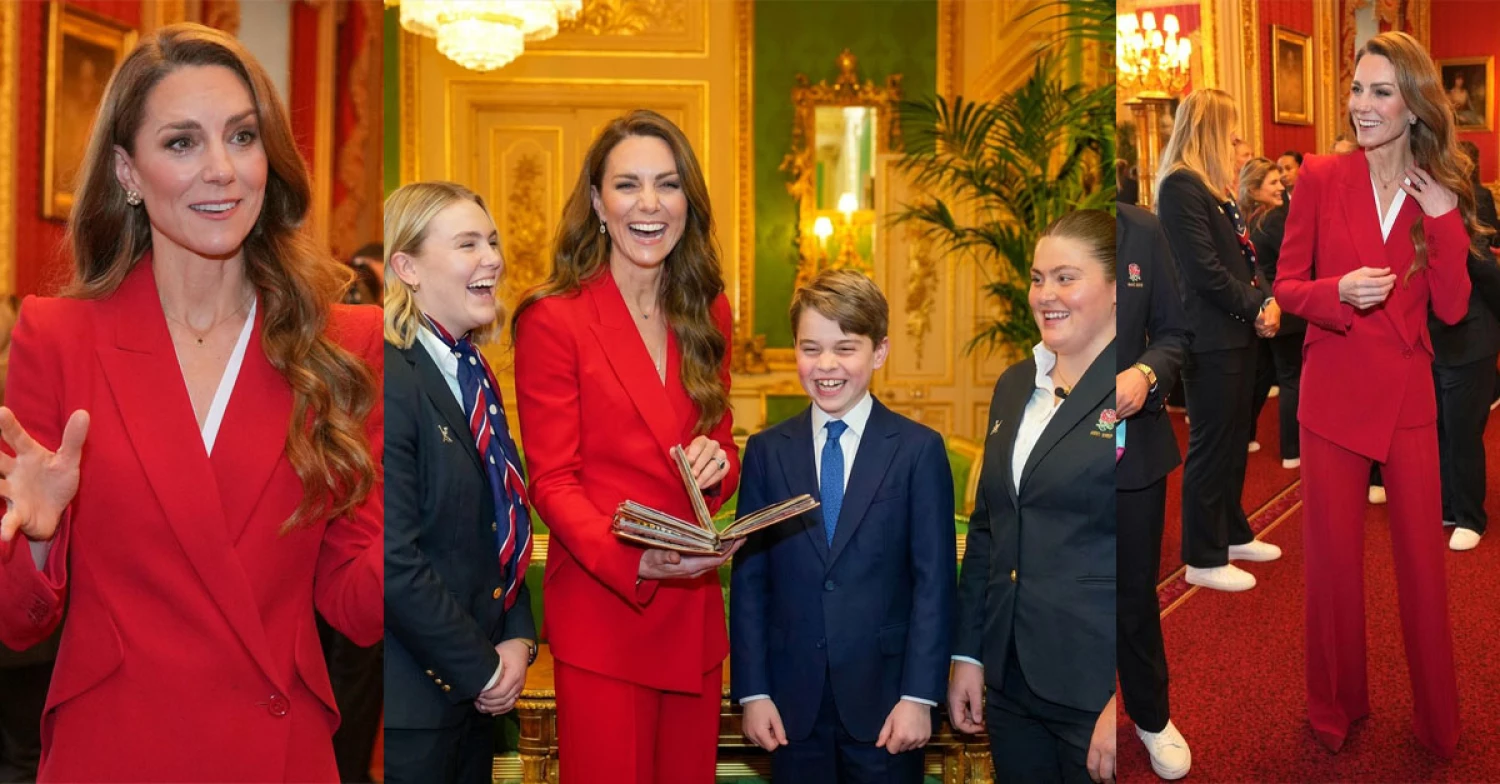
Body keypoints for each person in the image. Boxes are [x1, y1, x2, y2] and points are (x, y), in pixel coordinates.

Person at [0, 23, 382, 782]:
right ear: (127, 171)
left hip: (277, 752)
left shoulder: (344, 342)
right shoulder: (59, 338)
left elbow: (355, 605)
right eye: (181, 143)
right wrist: (38, 542)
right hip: (112, 751)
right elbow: (16, 623)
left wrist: (427, 522)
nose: (222, 170)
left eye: (241, 137)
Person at [1274, 30, 1489, 757]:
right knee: (1332, 574)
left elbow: (1455, 309)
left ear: (1413, 104)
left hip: (1406, 406)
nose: (1360, 105)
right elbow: (1285, 288)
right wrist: (1337, 291)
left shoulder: (1441, 191)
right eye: (1357, 89)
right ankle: (1334, 710)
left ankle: (1438, 723)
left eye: (1379, 92)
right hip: (1332, 398)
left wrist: (1444, 219)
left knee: (1425, 577)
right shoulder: (1318, 177)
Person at [511, 109, 739, 784]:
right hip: (609, 609)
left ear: (687, 203)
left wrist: (720, 462)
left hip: (691, 610)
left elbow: (716, 439)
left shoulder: (710, 308)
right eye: (627, 185)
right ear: (596, 201)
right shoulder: (553, 318)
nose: (648, 204)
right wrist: (636, 563)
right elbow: (552, 481)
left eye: (666, 185)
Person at [729, 269, 956, 783]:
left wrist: (919, 696)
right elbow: (750, 583)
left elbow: (934, 584)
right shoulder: (766, 452)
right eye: (811, 348)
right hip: (790, 708)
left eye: (845, 348)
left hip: (887, 705)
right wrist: (754, 692)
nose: (826, 366)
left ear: (879, 352)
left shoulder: (918, 451)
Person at [949, 210, 1118, 784]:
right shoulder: (1015, 384)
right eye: (1037, 278)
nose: (1046, 294)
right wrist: (969, 654)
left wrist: (1129, 695)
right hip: (1010, 679)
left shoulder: (1137, 392)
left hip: (1094, 687)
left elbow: (1151, 561)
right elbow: (989, 530)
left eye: (1066, 277)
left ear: (1117, 289)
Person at [382, 182, 538, 783]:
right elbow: (393, 560)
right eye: (467, 243)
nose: (493, 258)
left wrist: (518, 641)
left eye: (492, 241)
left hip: (474, 705)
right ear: (408, 267)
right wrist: (481, 669)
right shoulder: (391, 375)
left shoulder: (475, 376)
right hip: (411, 713)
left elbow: (501, 525)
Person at [1156, 89, 1282, 594]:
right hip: (1209, 338)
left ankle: (1230, 532)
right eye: (1232, 136)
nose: (1240, 147)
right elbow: (1205, 273)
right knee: (1211, 448)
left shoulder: (1213, 189)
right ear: (1208, 133)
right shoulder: (1181, 187)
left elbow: (1242, 263)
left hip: (1235, 333)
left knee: (1233, 444)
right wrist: (1258, 305)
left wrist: (1263, 302)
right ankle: (1202, 556)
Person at [1116, 203, 1193, 780]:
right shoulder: (1029, 224)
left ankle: (1150, 715)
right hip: (1044, 451)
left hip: (1133, 448)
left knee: (1134, 596)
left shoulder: (1141, 228)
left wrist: (1145, 374)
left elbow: (1174, 332)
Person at [1429, 142, 1500, 550]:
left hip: (1471, 338)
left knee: (1462, 431)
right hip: (1433, 338)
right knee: (1439, 427)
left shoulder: (1467, 215)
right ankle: (1449, 505)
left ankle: (1471, 516)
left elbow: (1487, 276)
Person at [1239, 157, 1305, 468]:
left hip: (1261, 303)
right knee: (1291, 377)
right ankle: (1292, 451)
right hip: (1283, 305)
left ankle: (1245, 435)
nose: (1282, 186)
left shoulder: (1244, 217)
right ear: (1254, 189)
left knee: (1263, 373)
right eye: (1274, 183)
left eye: (1281, 180)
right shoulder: (1275, 220)